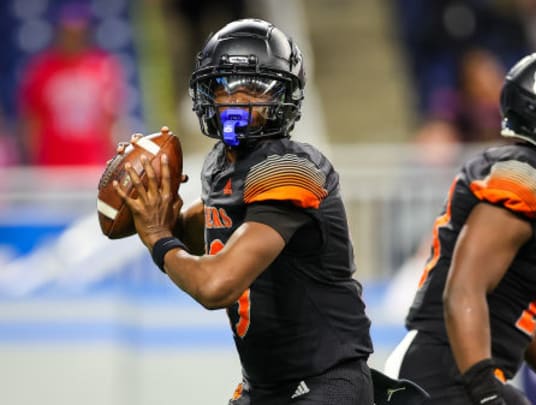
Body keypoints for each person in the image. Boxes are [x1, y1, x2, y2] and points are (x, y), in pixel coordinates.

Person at [112, 19, 378, 404]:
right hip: (264, 388)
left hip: (322, 384)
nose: (238, 102)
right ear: (207, 93)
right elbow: (212, 234)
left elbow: (217, 285)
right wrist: (152, 201)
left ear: (283, 97)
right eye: (225, 87)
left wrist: (157, 236)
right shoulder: (222, 164)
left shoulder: (289, 167)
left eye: (254, 88)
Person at [384, 45, 536, 404]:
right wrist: (484, 391)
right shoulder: (526, 176)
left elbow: (517, 313)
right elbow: (464, 289)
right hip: (439, 378)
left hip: (453, 373)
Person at [17, 1, 125, 166]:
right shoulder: (42, 69)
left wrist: (115, 158)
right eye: (68, 32)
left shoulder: (104, 68)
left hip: (93, 162)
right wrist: (34, 160)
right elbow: (32, 122)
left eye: (78, 32)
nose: (73, 38)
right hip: (53, 163)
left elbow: (111, 121)